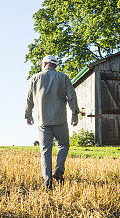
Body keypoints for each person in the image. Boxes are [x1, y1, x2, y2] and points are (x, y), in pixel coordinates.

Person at [25, 55, 79, 188]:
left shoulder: (34, 78)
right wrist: (74, 113)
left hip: (43, 122)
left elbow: (29, 99)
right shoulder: (64, 77)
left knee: (45, 151)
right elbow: (71, 96)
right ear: (55, 65)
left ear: (44, 64)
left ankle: (47, 180)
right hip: (60, 119)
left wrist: (28, 115)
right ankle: (58, 170)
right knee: (63, 145)